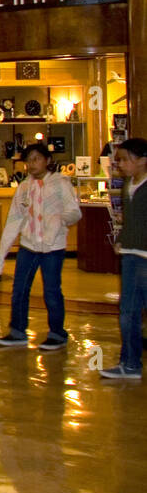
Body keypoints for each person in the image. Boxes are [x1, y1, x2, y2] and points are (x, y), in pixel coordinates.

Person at [0, 143, 81, 350]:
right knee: (20, 289)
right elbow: (14, 221)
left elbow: (74, 212)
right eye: (28, 160)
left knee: (51, 290)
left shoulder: (61, 184)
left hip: (52, 247)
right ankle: (17, 331)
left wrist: (59, 220)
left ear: (47, 160)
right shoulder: (24, 187)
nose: (31, 164)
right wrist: (0, 257)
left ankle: (57, 333)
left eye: (36, 159)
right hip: (28, 246)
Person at [102, 137, 147, 381]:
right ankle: (130, 364)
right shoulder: (128, 183)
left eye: (124, 159)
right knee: (127, 312)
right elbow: (129, 220)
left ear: (141, 161)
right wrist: (122, 238)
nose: (119, 164)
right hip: (130, 256)